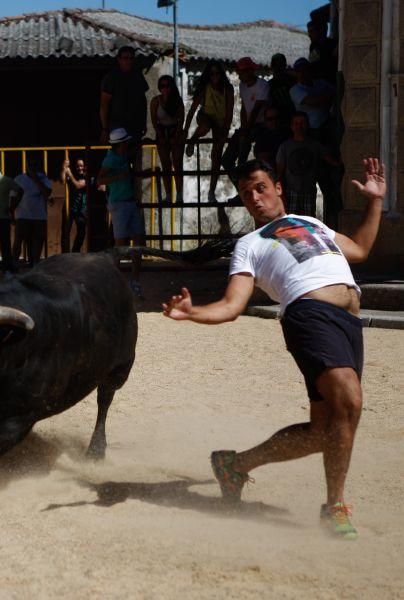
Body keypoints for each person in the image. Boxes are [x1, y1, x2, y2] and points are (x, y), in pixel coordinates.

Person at [162, 157, 387, 540]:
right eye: (246, 194)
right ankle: (335, 507)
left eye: (260, 188)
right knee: (349, 401)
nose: (254, 198)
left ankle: (235, 465)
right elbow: (233, 305)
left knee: (325, 429)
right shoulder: (250, 244)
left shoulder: (313, 224)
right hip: (309, 315)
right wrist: (193, 312)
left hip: (348, 324)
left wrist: (375, 201)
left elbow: (361, 249)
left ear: (278, 187)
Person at [98, 128, 144, 298]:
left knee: (135, 242)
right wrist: (120, 176)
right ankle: (118, 285)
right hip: (120, 204)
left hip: (127, 202)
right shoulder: (111, 159)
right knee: (122, 243)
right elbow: (100, 179)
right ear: (121, 144)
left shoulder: (121, 156)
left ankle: (134, 282)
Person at [185, 60, 234, 202]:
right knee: (205, 126)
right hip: (206, 117)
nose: (214, 76)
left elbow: (230, 112)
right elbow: (192, 110)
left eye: (217, 73)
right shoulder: (205, 88)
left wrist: (225, 130)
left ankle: (211, 192)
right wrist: (185, 130)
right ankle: (193, 140)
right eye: (211, 74)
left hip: (221, 122)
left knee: (216, 156)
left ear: (221, 74)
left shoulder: (228, 89)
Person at [276, 111, 339, 217]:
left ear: (307, 125)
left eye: (302, 123)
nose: (299, 127)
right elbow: (279, 172)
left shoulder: (315, 145)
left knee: (308, 222)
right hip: (291, 192)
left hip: (309, 191)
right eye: (296, 123)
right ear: (291, 126)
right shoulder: (285, 147)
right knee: (289, 222)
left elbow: (331, 160)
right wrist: (281, 195)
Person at [224, 57, 269, 180]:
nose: (239, 76)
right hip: (249, 125)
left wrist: (246, 130)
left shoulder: (262, 85)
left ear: (250, 71)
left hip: (262, 126)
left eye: (241, 73)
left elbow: (256, 110)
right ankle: (240, 185)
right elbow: (244, 108)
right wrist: (244, 127)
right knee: (226, 160)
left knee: (243, 152)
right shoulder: (243, 86)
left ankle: (242, 173)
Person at [100, 46, 149, 144]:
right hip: (117, 125)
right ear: (119, 59)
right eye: (125, 58)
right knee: (119, 154)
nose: (128, 61)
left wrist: (144, 122)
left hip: (135, 124)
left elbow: (143, 101)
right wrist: (105, 128)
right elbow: (104, 103)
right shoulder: (112, 77)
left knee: (135, 154)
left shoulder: (137, 75)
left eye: (131, 58)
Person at [150, 74, 185, 202]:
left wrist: (177, 135)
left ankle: (180, 195)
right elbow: (154, 120)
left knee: (177, 164)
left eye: (167, 85)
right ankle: (169, 195)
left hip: (175, 131)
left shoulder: (177, 100)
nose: (165, 88)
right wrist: (160, 135)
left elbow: (181, 119)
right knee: (165, 165)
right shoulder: (155, 101)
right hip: (162, 133)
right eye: (162, 85)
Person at [12, 157, 52, 269]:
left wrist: (36, 179)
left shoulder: (43, 178)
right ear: (27, 166)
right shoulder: (19, 179)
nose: (32, 168)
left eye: (35, 165)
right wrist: (11, 213)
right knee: (18, 240)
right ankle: (14, 263)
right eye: (30, 165)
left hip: (39, 216)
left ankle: (35, 264)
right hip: (23, 215)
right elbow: (13, 197)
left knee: (38, 240)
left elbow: (47, 193)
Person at [61, 157, 88, 253]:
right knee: (65, 232)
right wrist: (64, 169)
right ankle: (64, 254)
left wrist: (69, 173)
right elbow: (63, 181)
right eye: (77, 166)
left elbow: (78, 185)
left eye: (81, 166)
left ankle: (75, 252)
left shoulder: (86, 177)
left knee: (81, 233)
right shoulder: (73, 175)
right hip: (70, 207)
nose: (80, 168)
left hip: (81, 209)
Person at [268, 53, 297, 130]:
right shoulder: (270, 84)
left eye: (280, 65)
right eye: (276, 65)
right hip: (278, 120)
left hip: (292, 117)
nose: (278, 68)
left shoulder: (292, 81)